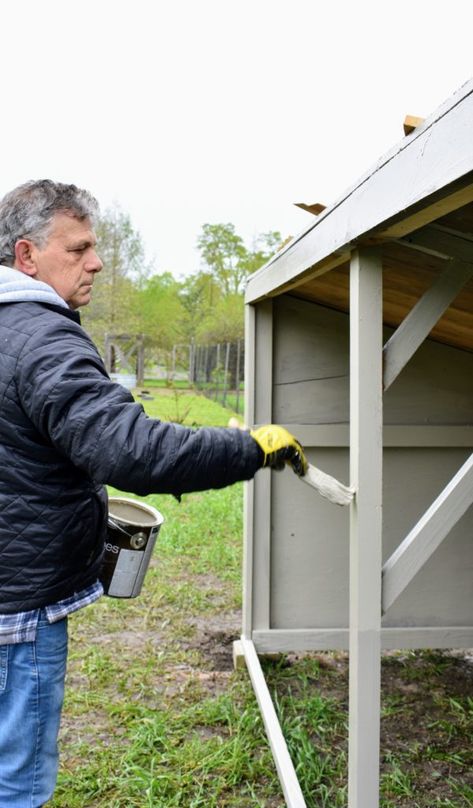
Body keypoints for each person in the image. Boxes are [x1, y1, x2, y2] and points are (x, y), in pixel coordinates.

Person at [0, 179, 307, 807]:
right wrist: (252, 447)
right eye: (79, 248)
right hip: (18, 611)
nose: (97, 262)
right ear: (27, 256)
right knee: (16, 783)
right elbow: (132, 450)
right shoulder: (42, 338)